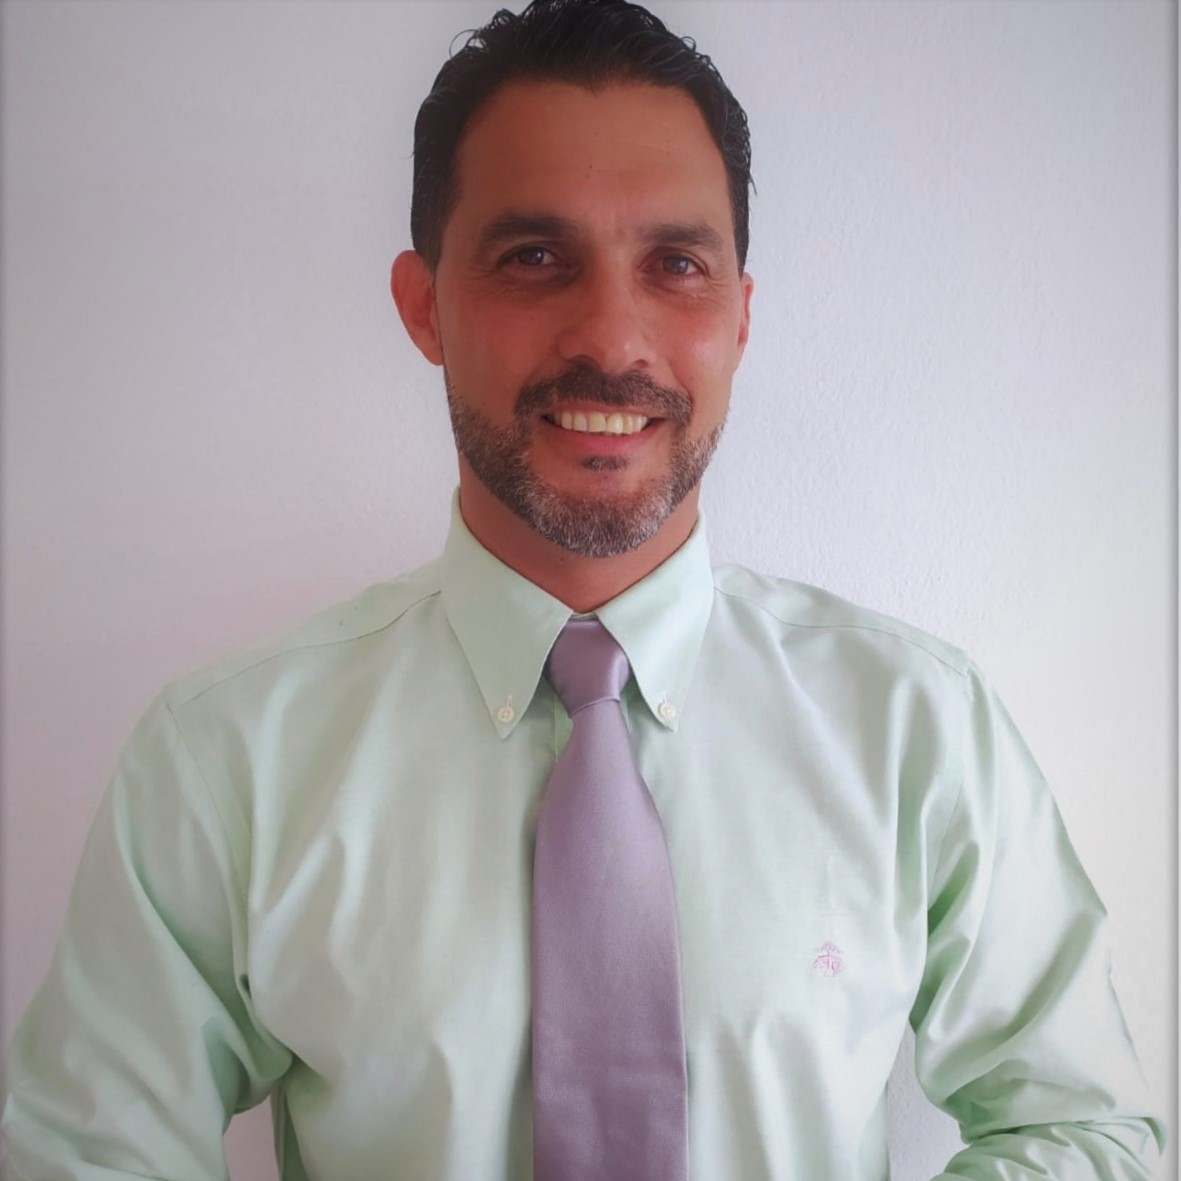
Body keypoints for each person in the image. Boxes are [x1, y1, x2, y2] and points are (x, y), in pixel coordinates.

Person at [2, 0, 1164, 1178]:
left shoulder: (916, 726)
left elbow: (1083, 1129)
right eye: (533, 258)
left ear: (739, 315)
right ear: (423, 304)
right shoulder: (226, 757)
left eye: (675, 264)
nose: (611, 336)